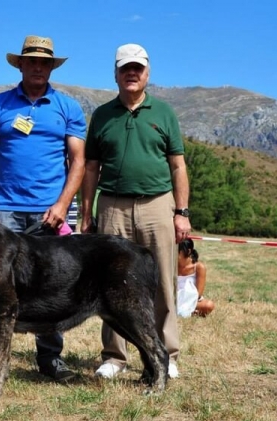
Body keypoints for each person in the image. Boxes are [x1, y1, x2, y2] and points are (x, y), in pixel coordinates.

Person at [0, 35, 86, 382]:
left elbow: (79, 160)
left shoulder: (69, 108)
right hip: (4, 213)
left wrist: (63, 204)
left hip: (50, 214)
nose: (38, 66)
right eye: (31, 60)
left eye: (44, 62)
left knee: (50, 286)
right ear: (20, 64)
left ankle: (50, 359)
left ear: (52, 66)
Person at [80, 43, 191, 380]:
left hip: (158, 204)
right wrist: (86, 213)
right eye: (125, 68)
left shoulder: (164, 113)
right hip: (112, 204)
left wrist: (181, 211)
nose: (132, 73)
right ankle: (115, 356)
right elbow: (90, 169)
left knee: (161, 281)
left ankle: (166, 354)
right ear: (115, 73)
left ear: (147, 73)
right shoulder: (101, 115)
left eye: (137, 68)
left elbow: (177, 166)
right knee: (111, 284)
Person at [178, 238, 215, 316]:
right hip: (173, 299)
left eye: (178, 251)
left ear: (188, 251)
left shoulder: (199, 267)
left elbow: (198, 294)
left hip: (191, 300)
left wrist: (185, 302)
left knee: (209, 305)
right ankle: (188, 311)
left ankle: (185, 310)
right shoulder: (172, 266)